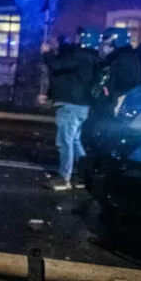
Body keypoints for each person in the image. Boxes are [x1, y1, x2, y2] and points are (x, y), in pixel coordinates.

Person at [41, 28, 99, 191]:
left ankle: (64, 178)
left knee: (65, 141)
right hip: (81, 105)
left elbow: (57, 66)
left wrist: (46, 53)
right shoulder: (93, 57)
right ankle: (83, 174)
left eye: (79, 36)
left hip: (71, 105)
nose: (76, 39)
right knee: (74, 141)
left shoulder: (80, 56)